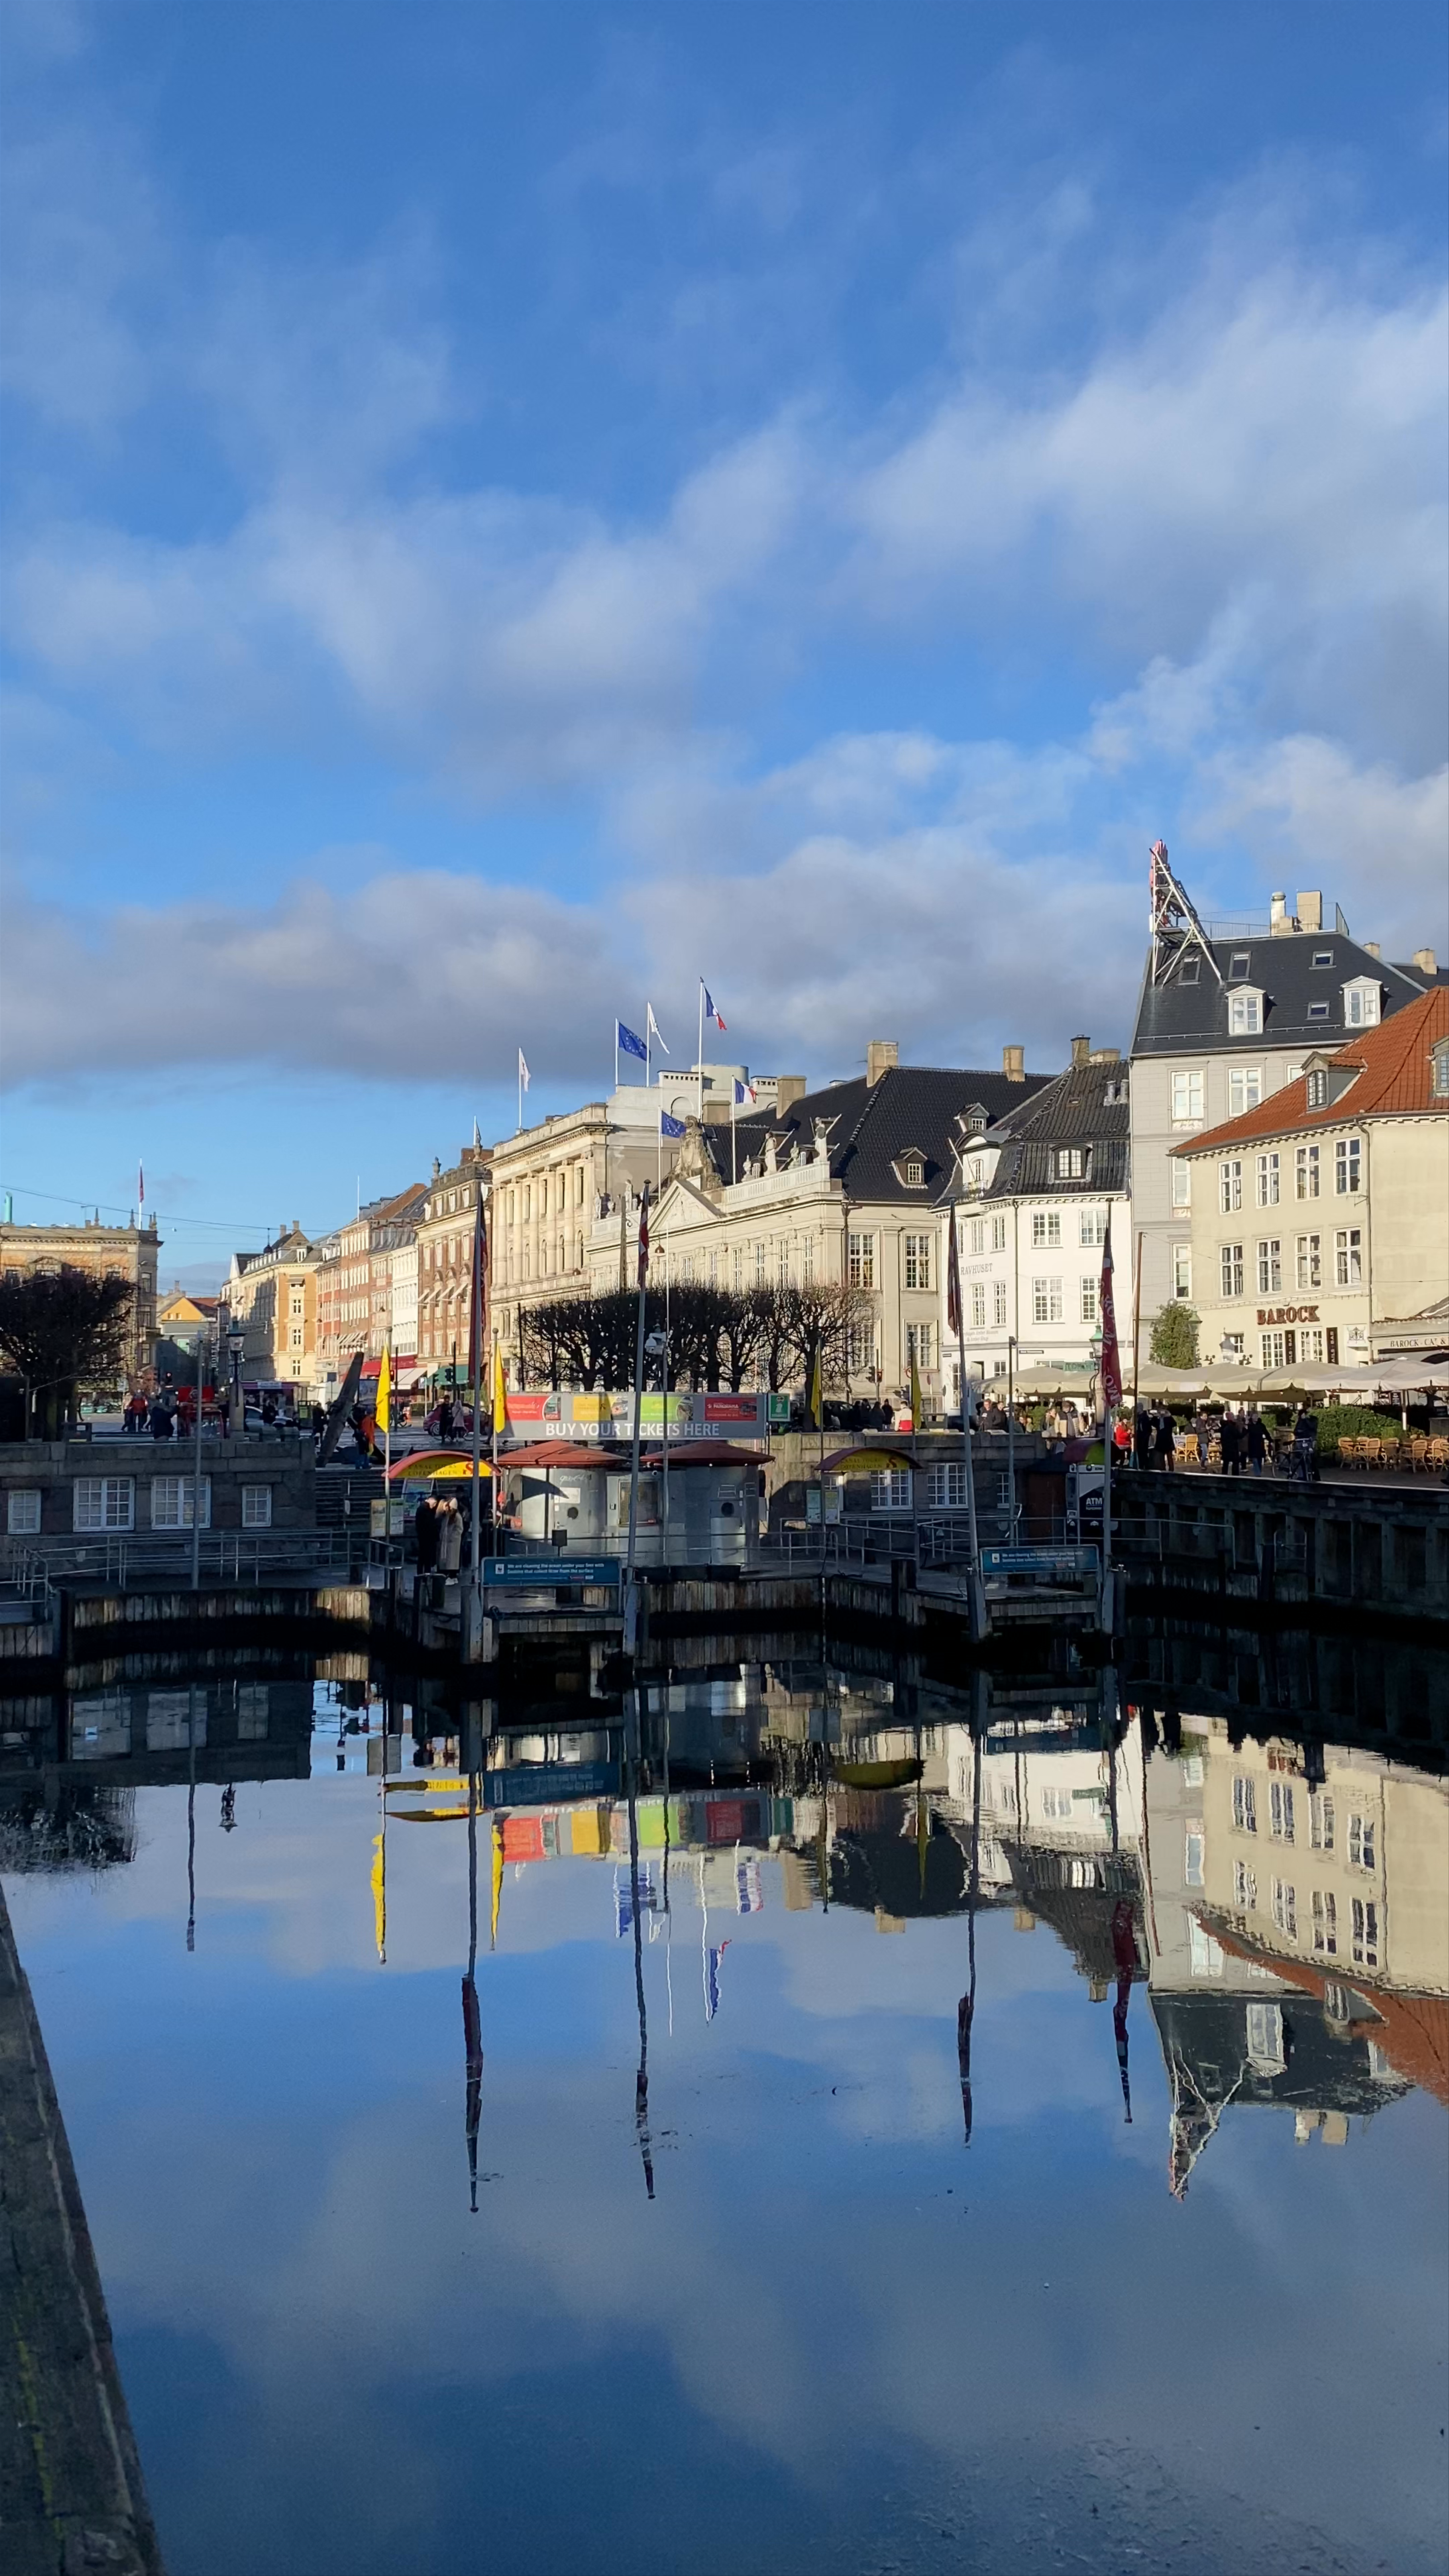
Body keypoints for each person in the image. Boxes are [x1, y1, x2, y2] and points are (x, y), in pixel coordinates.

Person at [1246, 1409, 1269, 1476]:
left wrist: (1270, 1440)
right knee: (1255, 1460)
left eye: (1257, 1416)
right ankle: (1258, 1474)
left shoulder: (1261, 1425)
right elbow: (1245, 1432)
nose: (1256, 1417)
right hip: (1252, 1445)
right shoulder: (1250, 1426)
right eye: (1255, 1416)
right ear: (1252, 1417)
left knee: (1259, 1460)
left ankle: (1259, 1472)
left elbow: (1266, 1433)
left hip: (1260, 1444)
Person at [1220, 1407, 1242, 1475]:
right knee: (1235, 1462)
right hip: (1232, 1447)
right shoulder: (1231, 1426)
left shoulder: (1224, 1426)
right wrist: (1245, 1431)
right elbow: (1238, 1436)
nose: (1234, 1418)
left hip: (1226, 1447)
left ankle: (1224, 1476)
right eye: (1232, 1416)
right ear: (1229, 1418)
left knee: (1226, 1463)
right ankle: (1235, 1477)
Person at [1155, 1409, 1176, 1473]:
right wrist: (1156, 1416)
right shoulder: (1158, 1420)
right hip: (1161, 1440)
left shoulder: (1169, 1420)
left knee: (1169, 1456)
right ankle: (1163, 1469)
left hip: (1167, 1440)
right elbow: (1153, 1423)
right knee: (1161, 1457)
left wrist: (1169, 1416)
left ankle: (1171, 1469)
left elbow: (1174, 1424)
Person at [1133, 1404, 1154, 1471]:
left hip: (1143, 1438)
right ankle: (1142, 1467)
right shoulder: (1139, 1417)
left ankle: (1145, 1467)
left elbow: (1147, 1429)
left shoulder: (1144, 1418)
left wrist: (1145, 1437)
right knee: (1141, 1454)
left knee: (1143, 1454)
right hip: (1140, 1438)